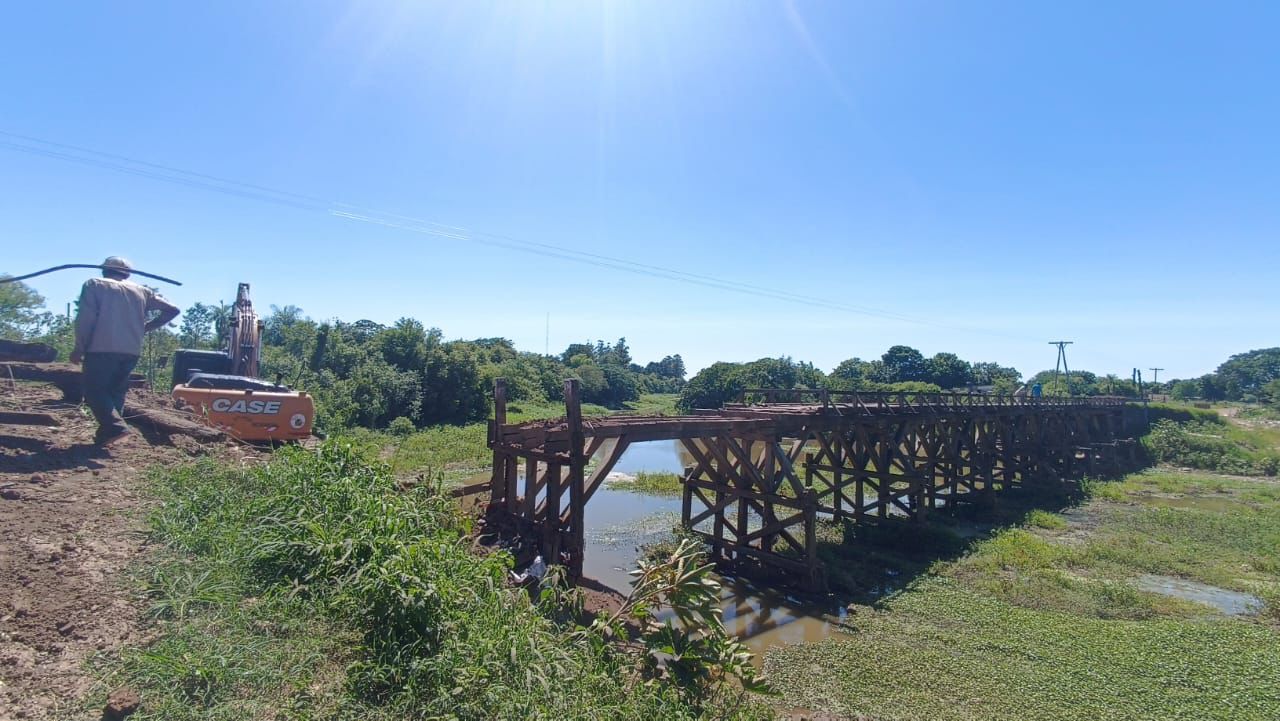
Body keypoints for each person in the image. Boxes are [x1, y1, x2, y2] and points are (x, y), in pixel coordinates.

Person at [69, 256, 179, 445]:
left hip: (101, 348)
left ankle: (115, 427)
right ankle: (107, 435)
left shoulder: (95, 284)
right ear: (127, 273)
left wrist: (79, 347)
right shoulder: (142, 291)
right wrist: (146, 327)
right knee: (115, 392)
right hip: (130, 350)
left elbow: (85, 319)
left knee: (94, 390)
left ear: (104, 270)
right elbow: (173, 309)